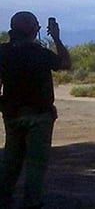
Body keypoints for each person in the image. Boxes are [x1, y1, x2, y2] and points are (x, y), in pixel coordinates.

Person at [0, 11, 71, 208]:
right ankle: (31, 203)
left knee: (10, 162)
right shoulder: (39, 53)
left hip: (12, 115)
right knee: (36, 165)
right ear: (33, 30)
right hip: (40, 115)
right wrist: (56, 38)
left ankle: (4, 198)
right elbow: (65, 63)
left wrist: (3, 104)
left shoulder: (3, 52)